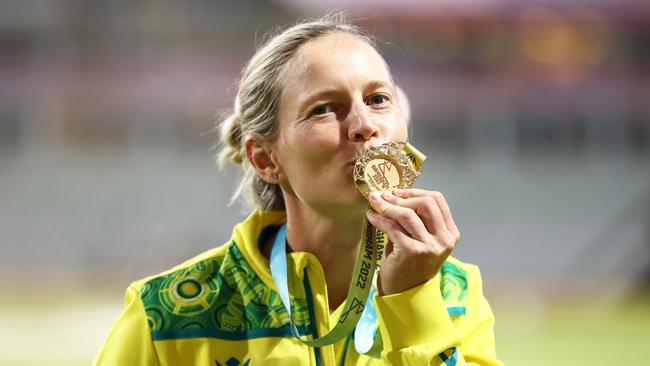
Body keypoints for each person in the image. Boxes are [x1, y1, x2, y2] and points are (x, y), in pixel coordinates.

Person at [94, 14, 502, 366]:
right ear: (265, 159)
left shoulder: (456, 294)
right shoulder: (165, 316)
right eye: (325, 109)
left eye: (378, 99)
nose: (364, 125)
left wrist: (414, 302)